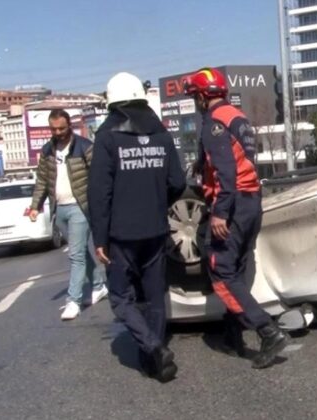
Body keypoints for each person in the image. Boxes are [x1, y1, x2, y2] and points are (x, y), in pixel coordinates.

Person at [183, 67, 289, 369]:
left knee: (222, 271)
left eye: (195, 97)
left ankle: (268, 332)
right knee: (238, 269)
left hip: (232, 205)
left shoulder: (213, 122)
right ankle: (233, 331)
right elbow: (239, 160)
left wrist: (219, 212)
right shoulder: (236, 116)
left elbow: (227, 172)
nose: (196, 103)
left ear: (204, 97)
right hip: (252, 201)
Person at [88, 72, 186, 382]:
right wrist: (157, 204)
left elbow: (99, 193)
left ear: (112, 103)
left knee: (120, 298)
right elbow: (178, 182)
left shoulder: (107, 136)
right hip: (156, 230)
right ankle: (154, 360)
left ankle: (154, 348)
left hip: (121, 234)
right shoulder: (161, 133)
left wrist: (100, 237)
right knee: (155, 296)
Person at [29, 109, 107, 321]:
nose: (58, 132)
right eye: (54, 129)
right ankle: (99, 285)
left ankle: (73, 301)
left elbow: (98, 177)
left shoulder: (84, 147)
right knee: (79, 251)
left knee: (75, 255)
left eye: (62, 128)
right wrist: (36, 205)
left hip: (80, 207)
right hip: (59, 208)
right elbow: (42, 181)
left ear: (69, 126)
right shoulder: (47, 151)